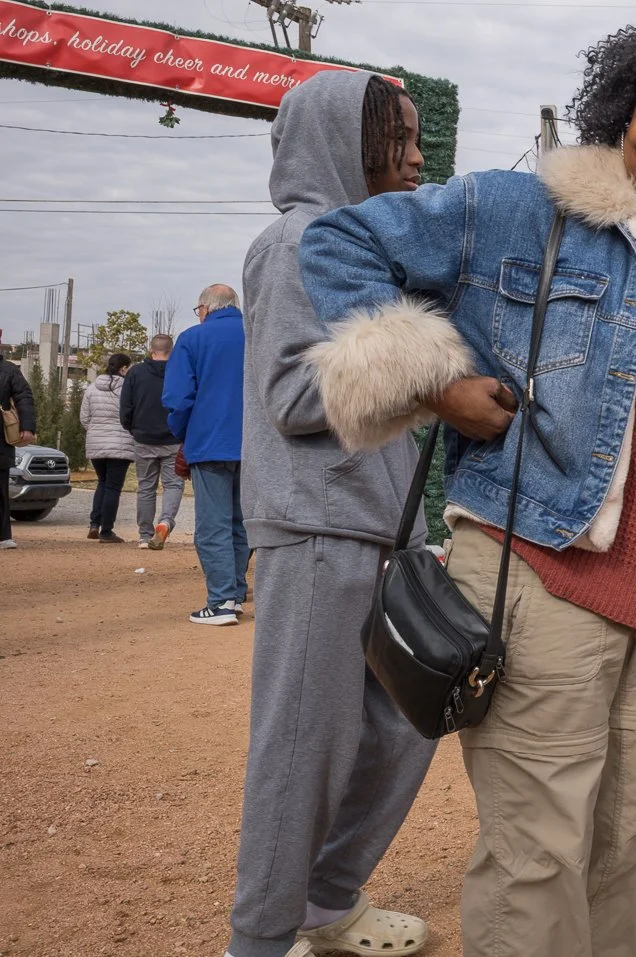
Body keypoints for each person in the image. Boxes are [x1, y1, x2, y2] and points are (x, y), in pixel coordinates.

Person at [299, 22, 636, 957]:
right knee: (538, 851)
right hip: (537, 573)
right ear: (619, 114)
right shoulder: (525, 209)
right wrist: (432, 379)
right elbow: (337, 244)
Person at [227, 70, 444, 957]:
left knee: (405, 726)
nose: (419, 155)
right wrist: (428, 359)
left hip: (383, 529)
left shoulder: (359, 245)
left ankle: (324, 899)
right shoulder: (299, 239)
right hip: (316, 525)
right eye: (399, 137)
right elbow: (289, 393)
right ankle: (261, 939)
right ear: (344, 146)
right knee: (302, 748)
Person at [165, 284, 248, 626]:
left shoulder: (192, 338)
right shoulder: (257, 332)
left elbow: (177, 397)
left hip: (210, 441)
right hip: (254, 443)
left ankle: (222, 600)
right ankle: (237, 593)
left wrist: (183, 432)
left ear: (205, 308)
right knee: (242, 523)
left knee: (212, 524)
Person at [121, 334, 183, 549]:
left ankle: (145, 535)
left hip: (143, 437)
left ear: (151, 350)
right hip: (172, 438)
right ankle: (165, 522)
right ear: (171, 351)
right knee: (173, 484)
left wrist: (133, 429)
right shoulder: (180, 371)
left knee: (146, 486)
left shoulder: (135, 373)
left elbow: (125, 407)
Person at [80, 353, 135, 544]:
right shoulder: (127, 389)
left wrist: (96, 432)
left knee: (102, 482)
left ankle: (94, 523)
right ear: (123, 368)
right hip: (120, 443)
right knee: (113, 487)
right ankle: (106, 531)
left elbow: (84, 418)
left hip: (96, 442)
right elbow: (131, 415)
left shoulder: (91, 389)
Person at [0, 358, 37, 550]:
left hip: (0, 438)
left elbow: (24, 396)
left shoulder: (9, 369)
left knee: (0, 489)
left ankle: (3, 536)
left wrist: (27, 426)